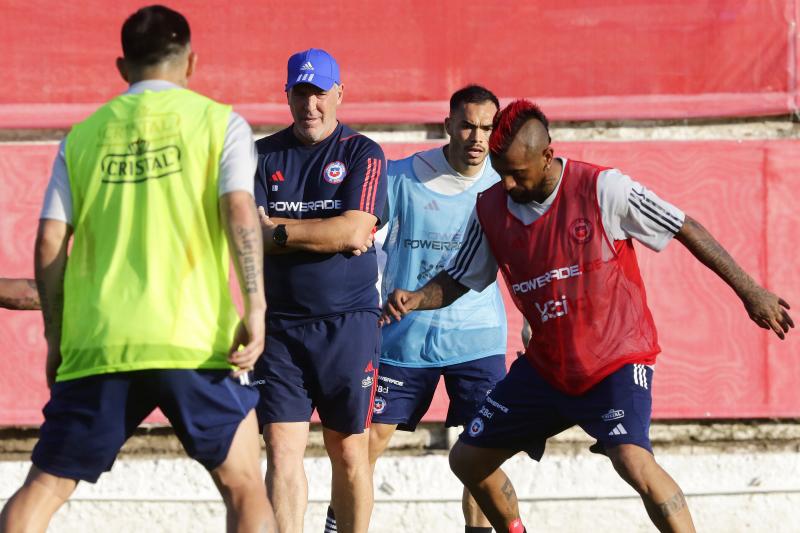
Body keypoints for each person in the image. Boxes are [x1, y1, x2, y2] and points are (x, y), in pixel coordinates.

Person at [381, 99, 794, 533]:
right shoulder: (491, 207)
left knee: (633, 461)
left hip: (614, 361)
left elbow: (683, 226)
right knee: (467, 458)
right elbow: (459, 279)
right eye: (500, 171)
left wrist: (750, 291)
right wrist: (416, 298)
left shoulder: (602, 188)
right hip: (547, 368)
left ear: (547, 155)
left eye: (517, 173)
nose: (506, 182)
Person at [0, 6, 275, 532]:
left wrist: (56, 338)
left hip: (99, 343)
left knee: (45, 486)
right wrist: (256, 307)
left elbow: (50, 240)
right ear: (191, 63)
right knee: (243, 484)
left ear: (122, 67)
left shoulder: (82, 137)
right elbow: (240, 209)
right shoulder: (219, 123)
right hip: (192, 341)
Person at [357, 85, 507, 533]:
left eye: (487, 127)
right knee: (364, 447)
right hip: (405, 337)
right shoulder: (402, 176)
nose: (477, 137)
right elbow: (358, 236)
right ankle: (341, 523)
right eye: (467, 125)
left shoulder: (504, 185)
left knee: (481, 453)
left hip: (476, 338)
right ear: (448, 126)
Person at [252, 48, 387, 533]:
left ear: (339, 94)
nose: (311, 105)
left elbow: (353, 232)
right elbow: (246, 237)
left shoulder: (362, 153)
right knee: (282, 449)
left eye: (320, 93)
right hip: (280, 328)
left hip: (347, 325)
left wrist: (280, 233)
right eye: (301, 93)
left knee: (348, 447)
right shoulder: (261, 155)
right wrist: (321, 230)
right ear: (286, 95)